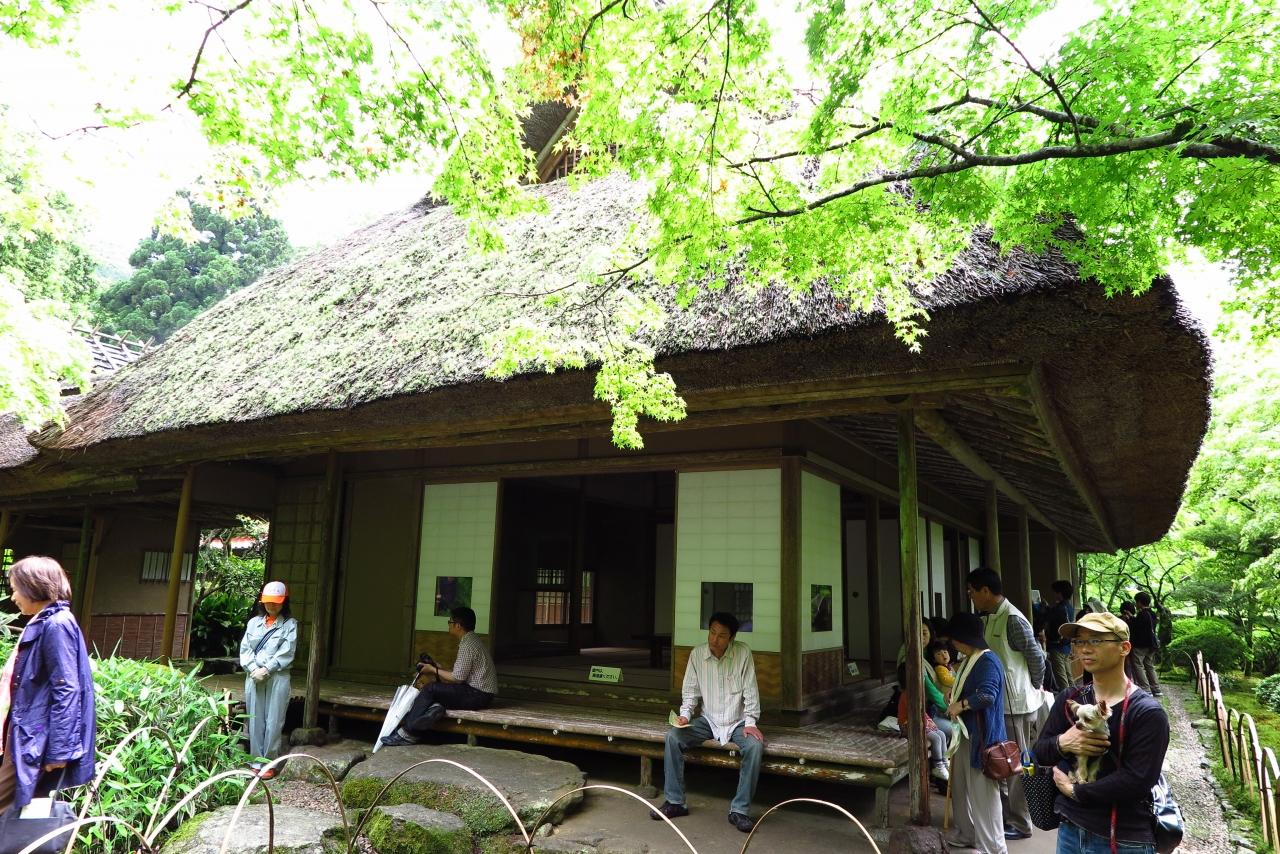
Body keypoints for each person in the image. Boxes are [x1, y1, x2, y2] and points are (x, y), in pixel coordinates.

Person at [1032, 612, 1170, 853]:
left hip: (1124, 838)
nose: (1085, 649)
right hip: (1070, 830)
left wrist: (1075, 791)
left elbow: (1137, 780)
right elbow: (1040, 754)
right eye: (1079, 641)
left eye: (1095, 640)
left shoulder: (1147, 712)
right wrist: (1063, 742)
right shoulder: (1070, 699)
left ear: (1124, 648)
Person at [652, 612, 763, 833]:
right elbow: (690, 692)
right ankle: (675, 802)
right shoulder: (697, 655)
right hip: (708, 720)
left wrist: (751, 721)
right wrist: (685, 715)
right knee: (673, 737)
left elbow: (751, 690)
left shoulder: (743, 653)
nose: (715, 639)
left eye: (722, 635)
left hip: (737, 721)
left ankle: (739, 810)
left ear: (731, 637)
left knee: (755, 746)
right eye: (712, 632)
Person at [0, 556, 96, 813]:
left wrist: (59, 750)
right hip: (25, 732)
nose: (13, 597)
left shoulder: (57, 624)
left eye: (16, 589)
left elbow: (67, 687)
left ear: (34, 587)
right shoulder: (45, 621)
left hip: (34, 735)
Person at [967, 567, 1046, 842]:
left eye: (972, 591)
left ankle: (1022, 823)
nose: (970, 596)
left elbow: (1037, 657)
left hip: (1017, 707)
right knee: (1005, 762)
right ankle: (1009, 816)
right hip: (1003, 705)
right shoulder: (990, 616)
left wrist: (1033, 686)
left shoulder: (1012, 619)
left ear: (985, 591)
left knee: (1017, 764)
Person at [381, 606, 497, 746]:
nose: (448, 624)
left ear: (458, 625)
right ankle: (435, 708)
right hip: (479, 693)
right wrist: (436, 668)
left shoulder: (468, 645)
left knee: (430, 688)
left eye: (450, 622)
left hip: (478, 695)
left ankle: (407, 734)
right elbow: (460, 673)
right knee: (436, 690)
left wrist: (432, 669)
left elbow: (457, 678)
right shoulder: (472, 640)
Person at [943, 612, 1009, 854]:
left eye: (954, 639)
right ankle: (968, 834)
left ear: (963, 639)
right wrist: (954, 696)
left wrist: (960, 705)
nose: (952, 644)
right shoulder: (971, 659)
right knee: (961, 788)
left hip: (982, 738)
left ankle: (994, 847)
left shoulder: (987, 661)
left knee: (984, 796)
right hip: (966, 735)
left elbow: (987, 695)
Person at [239, 580, 298, 778]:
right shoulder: (253, 623)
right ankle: (255, 760)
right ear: (262, 601)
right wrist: (253, 668)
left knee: (274, 720)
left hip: (277, 676)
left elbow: (287, 652)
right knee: (254, 719)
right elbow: (245, 649)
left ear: (284, 602)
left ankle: (269, 763)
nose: (271, 605)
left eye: (276, 602)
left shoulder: (290, 625)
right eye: (268, 601)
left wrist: (267, 669)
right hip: (253, 676)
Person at [898, 619, 954, 741]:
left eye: (924, 633)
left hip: (935, 707)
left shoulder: (926, 652)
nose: (920, 637)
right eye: (915, 633)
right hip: (926, 712)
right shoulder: (910, 656)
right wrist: (949, 709)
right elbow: (929, 689)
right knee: (955, 730)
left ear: (931, 633)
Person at [1045, 580, 1077, 691]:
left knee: (1062, 679)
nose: (1054, 594)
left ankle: (1067, 699)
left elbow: (1048, 617)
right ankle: (1075, 696)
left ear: (1060, 593)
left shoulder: (1059, 609)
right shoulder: (1069, 607)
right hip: (1066, 646)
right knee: (1068, 676)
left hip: (1057, 646)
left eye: (1055, 592)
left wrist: (1041, 607)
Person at [1129, 593, 1162, 696]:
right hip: (1152, 645)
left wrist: (1131, 619)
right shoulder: (1152, 613)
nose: (1135, 604)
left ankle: (1145, 689)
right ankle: (1156, 689)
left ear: (1139, 602)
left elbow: (1137, 628)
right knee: (1149, 665)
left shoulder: (1142, 614)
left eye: (1136, 602)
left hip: (1141, 645)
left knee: (1137, 665)